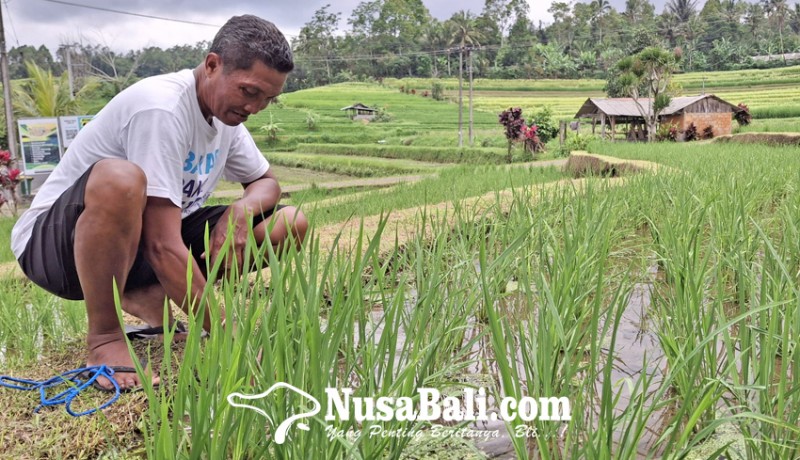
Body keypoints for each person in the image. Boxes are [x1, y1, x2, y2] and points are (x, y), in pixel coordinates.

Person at [10, 15, 307, 391]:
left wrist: (241, 212)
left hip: (136, 247)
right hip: (55, 249)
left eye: (268, 99)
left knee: (289, 223)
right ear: (212, 65)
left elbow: (265, 182)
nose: (256, 107)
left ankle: (145, 293)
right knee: (121, 179)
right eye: (249, 92)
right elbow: (161, 244)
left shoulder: (226, 116)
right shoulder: (162, 107)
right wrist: (232, 334)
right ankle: (104, 337)